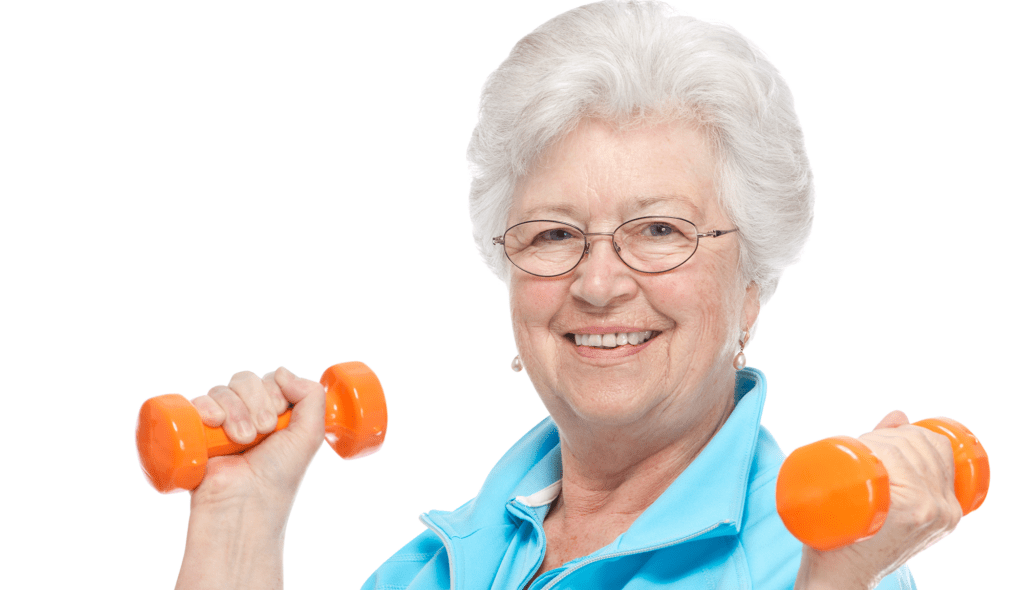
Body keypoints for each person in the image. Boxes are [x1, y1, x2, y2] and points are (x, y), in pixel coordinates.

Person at [174, 2, 962, 588]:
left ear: (752, 285)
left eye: (659, 230)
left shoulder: (828, 563)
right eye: (553, 235)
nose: (596, 283)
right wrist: (237, 531)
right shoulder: (436, 566)